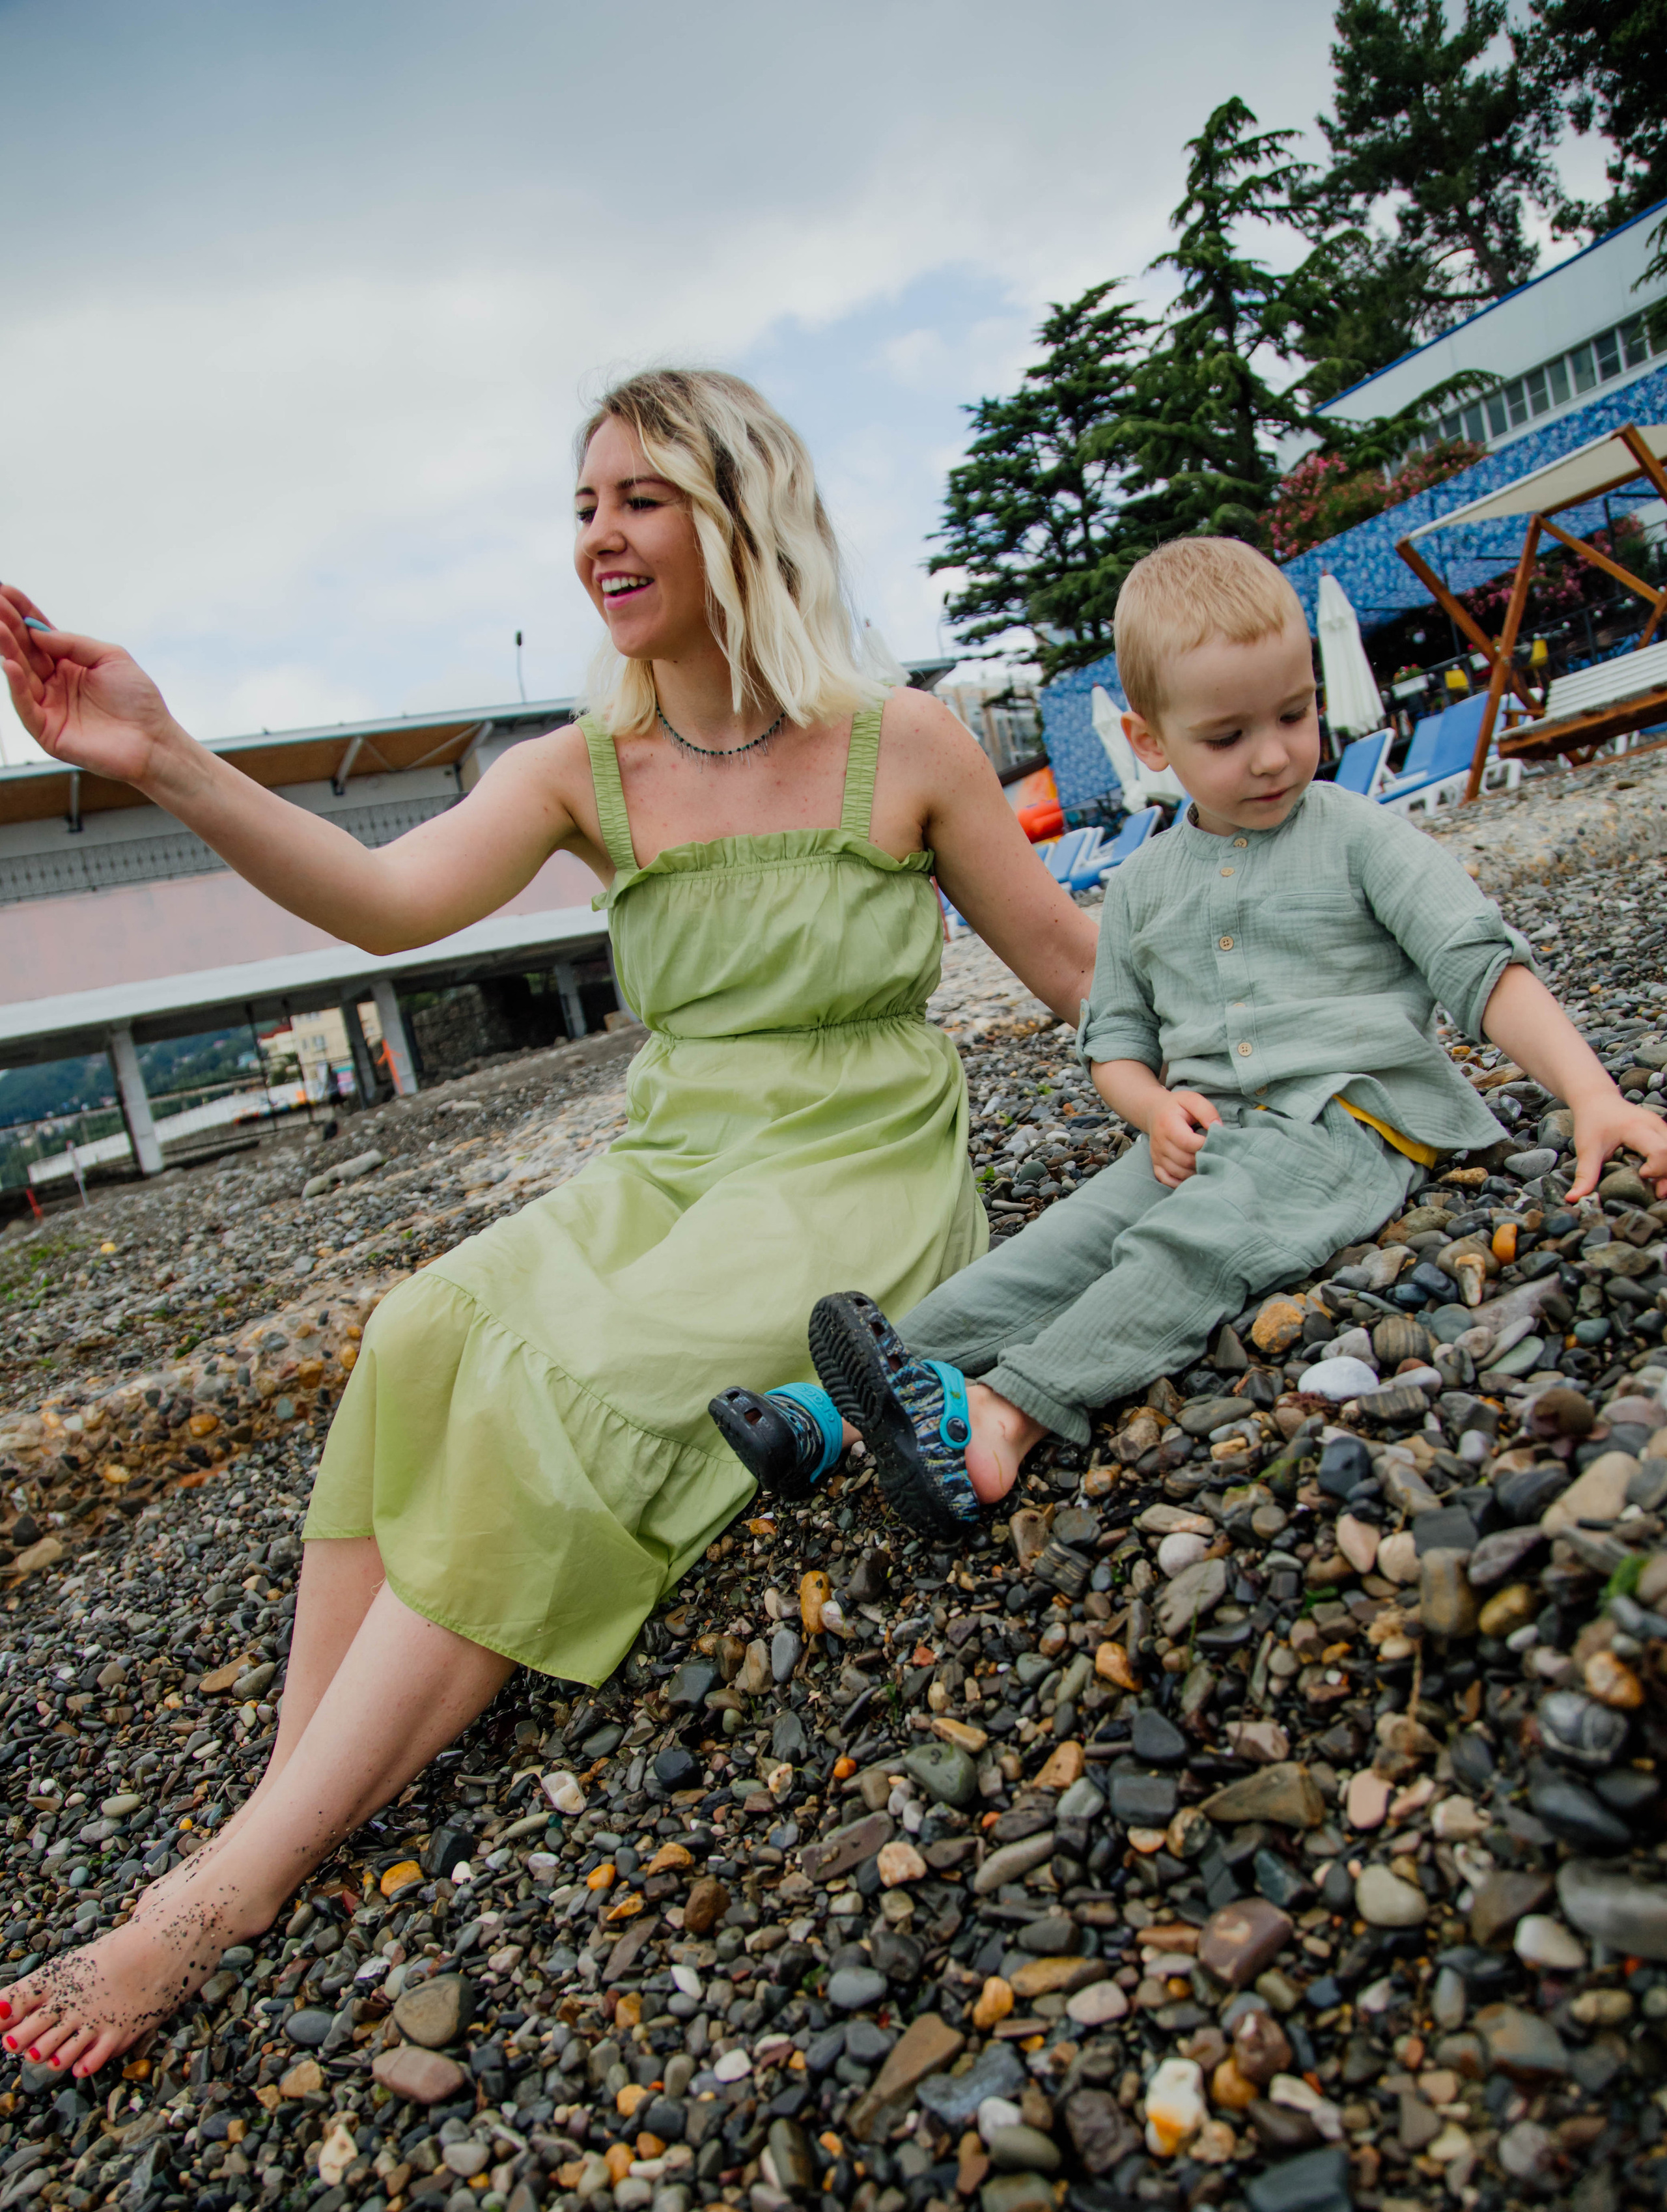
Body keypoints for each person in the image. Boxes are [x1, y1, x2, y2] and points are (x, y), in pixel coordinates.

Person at [0, 367, 1096, 2080]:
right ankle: (292, 1800)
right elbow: (386, 903)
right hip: (673, 1155)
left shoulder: (905, 743)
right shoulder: (585, 766)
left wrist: (1240, 1074)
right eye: (585, 504)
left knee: (567, 1390)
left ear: (741, 516)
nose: (599, 536)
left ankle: (221, 1895)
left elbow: (1074, 967)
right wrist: (167, 760)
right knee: (423, 1331)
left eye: (640, 498)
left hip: (855, 1166)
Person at [735, 535, 1667, 1539]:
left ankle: (1003, 1416)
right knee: (1059, 1245)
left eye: (1295, 714)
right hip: (1201, 1130)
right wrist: (1150, 1106)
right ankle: (841, 1410)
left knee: (1188, 1249)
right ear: (1151, 741)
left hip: (1347, 1120)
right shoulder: (1141, 886)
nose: (1272, 754)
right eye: (1227, 736)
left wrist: (1592, 1094)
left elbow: (1479, 964)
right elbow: (1114, 1040)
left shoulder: (1356, 834)